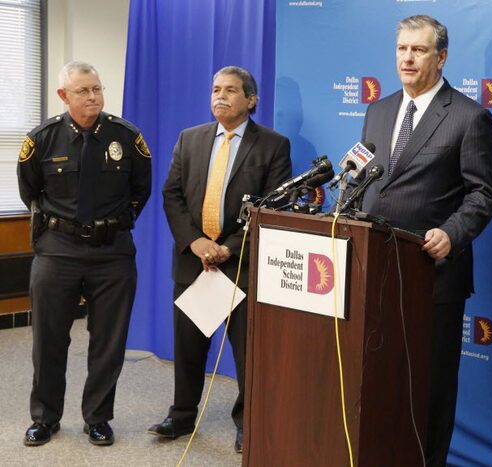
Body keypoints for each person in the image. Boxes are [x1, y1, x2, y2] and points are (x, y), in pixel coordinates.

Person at [356, 15, 492, 466]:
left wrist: (452, 233)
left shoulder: (469, 116)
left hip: (431, 276)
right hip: (373, 272)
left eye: (418, 50)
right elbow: (365, 181)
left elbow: (484, 193)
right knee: (379, 381)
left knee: (429, 388)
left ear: (441, 57)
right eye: (401, 48)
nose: (407, 58)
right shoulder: (378, 111)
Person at [149, 66, 291, 453]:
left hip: (240, 264)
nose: (220, 96)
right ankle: (181, 416)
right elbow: (171, 195)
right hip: (194, 262)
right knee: (188, 346)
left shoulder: (273, 146)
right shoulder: (189, 139)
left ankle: (248, 422)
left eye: (230, 90)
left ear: (251, 99)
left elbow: (273, 206)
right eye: (215, 89)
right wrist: (195, 241)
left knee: (247, 353)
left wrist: (228, 245)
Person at [17, 61, 152, 446]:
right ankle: (44, 418)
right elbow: (31, 192)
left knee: (108, 340)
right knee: (49, 338)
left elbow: (140, 188)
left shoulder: (126, 137)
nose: (93, 96)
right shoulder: (42, 139)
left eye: (97, 88)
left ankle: (98, 417)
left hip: (112, 252)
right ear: (64, 96)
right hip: (57, 250)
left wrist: (114, 224)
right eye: (83, 91)